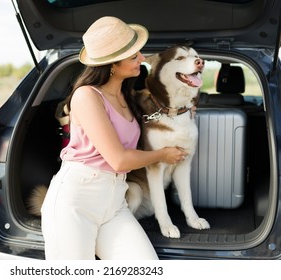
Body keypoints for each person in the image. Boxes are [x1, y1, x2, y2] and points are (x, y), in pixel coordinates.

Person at [41, 16, 188, 260]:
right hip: (76, 202)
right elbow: (119, 160)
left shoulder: (127, 96)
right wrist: (164, 154)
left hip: (115, 202)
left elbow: (162, 108)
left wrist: (184, 106)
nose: (142, 59)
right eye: (134, 56)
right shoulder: (86, 96)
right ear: (111, 64)